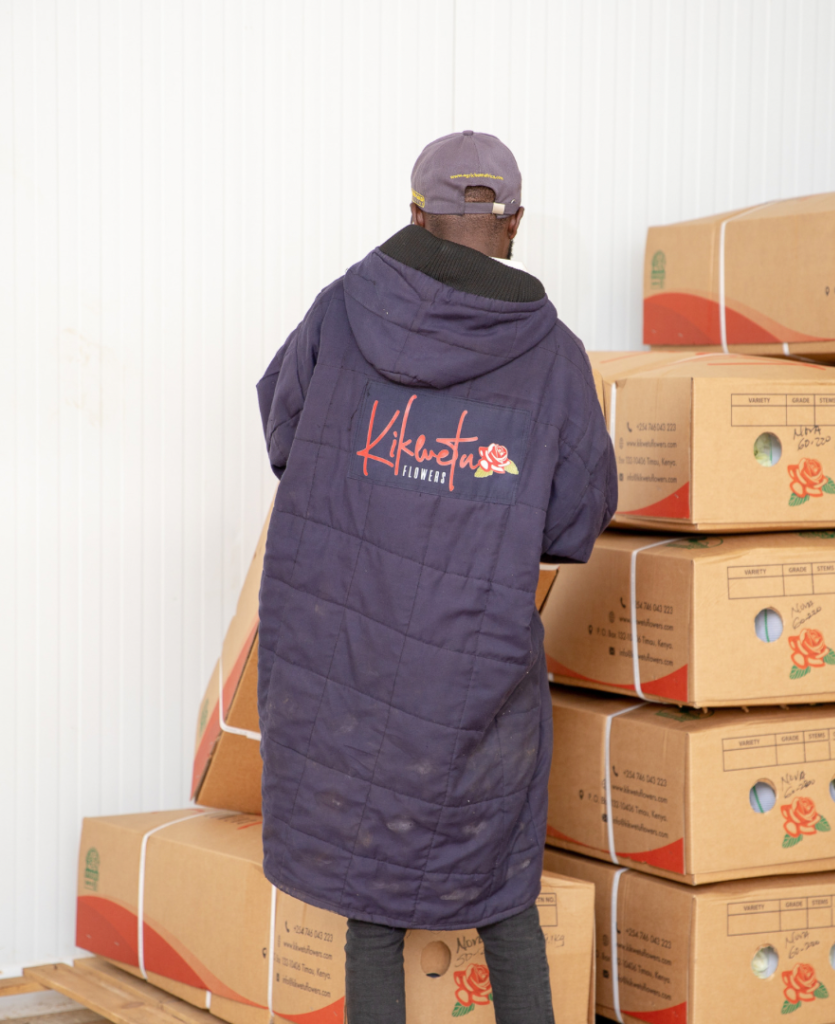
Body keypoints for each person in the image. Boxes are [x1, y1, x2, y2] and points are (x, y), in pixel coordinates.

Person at [255, 130, 616, 1024]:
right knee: (501, 894)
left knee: (372, 906)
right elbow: (578, 517)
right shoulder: (553, 359)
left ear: (417, 216)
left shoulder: (341, 311)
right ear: (516, 225)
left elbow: (283, 434)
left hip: (346, 663)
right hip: (476, 674)